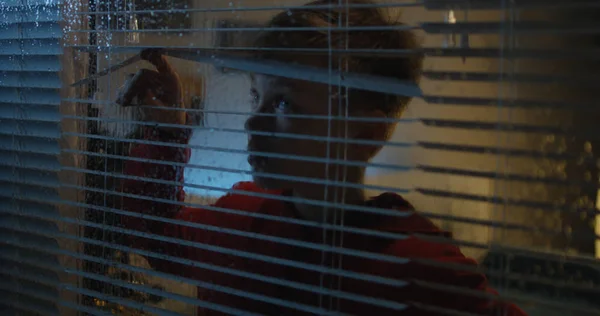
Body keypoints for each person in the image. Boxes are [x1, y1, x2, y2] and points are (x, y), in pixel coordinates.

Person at [119, 1, 528, 315]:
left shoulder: (418, 269)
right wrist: (169, 129)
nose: (253, 124)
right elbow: (160, 240)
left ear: (364, 133)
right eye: (256, 97)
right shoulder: (244, 218)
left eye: (283, 103)